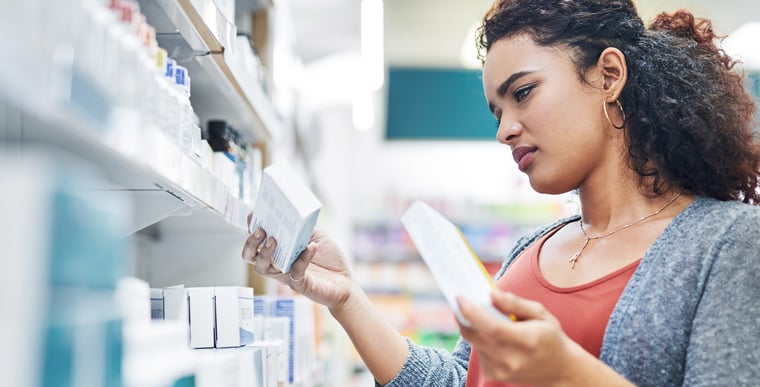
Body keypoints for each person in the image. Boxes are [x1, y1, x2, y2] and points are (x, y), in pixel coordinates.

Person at [242, 0, 760, 385]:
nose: (505, 129)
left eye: (523, 92)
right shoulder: (530, 250)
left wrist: (568, 374)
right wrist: (347, 297)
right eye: (497, 110)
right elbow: (460, 381)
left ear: (608, 75)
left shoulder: (726, 244)